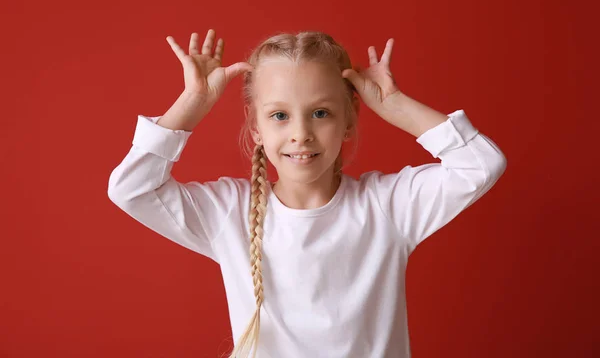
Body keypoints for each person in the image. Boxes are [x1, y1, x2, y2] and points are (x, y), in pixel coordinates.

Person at [107, 28, 507, 358]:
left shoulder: (388, 207)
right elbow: (131, 188)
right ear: (256, 131)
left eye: (321, 112)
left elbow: (480, 164)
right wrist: (192, 103)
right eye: (280, 115)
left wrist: (398, 107)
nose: (301, 133)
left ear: (348, 122)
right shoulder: (228, 213)